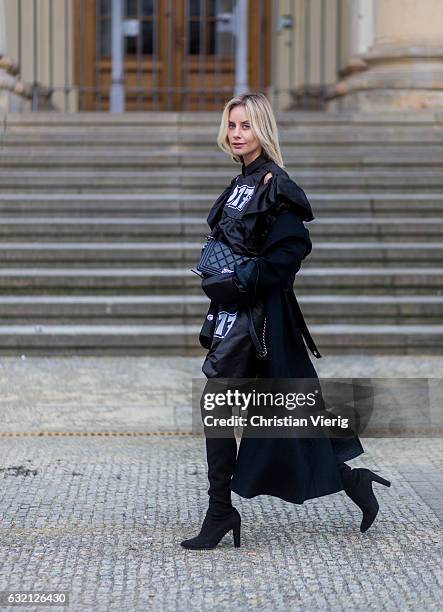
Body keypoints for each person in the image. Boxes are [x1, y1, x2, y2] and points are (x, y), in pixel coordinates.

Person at [181, 92, 391, 550]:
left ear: (263, 130)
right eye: (232, 125)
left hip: (261, 325)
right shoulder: (241, 183)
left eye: (246, 126)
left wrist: (238, 277)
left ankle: (222, 512)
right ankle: (345, 483)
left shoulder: (278, 186)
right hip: (234, 319)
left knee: (255, 414)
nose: (237, 134)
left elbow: (290, 252)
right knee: (271, 417)